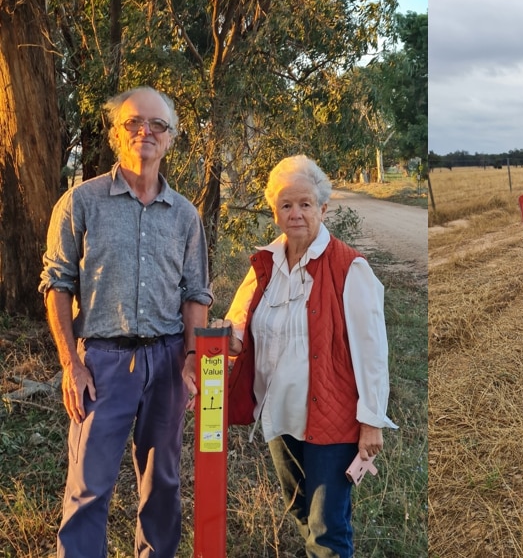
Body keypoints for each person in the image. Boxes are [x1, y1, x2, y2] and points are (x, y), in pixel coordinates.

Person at [39, 86, 212, 557]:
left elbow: (196, 293)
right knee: (89, 486)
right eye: (134, 122)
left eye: (157, 124)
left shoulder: (184, 216)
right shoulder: (81, 202)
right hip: (102, 364)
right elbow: (57, 284)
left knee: (163, 486)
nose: (146, 132)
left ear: (171, 138)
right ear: (117, 133)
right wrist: (72, 364)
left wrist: (192, 359)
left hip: (168, 362)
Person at [202, 155, 397, 557]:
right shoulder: (266, 263)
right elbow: (241, 326)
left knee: (327, 531)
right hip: (280, 414)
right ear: (275, 212)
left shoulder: (350, 267)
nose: (296, 214)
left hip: (333, 418)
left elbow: (372, 350)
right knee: (302, 513)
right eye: (286, 205)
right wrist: (227, 337)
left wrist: (371, 420)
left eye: (305, 204)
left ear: (323, 209)